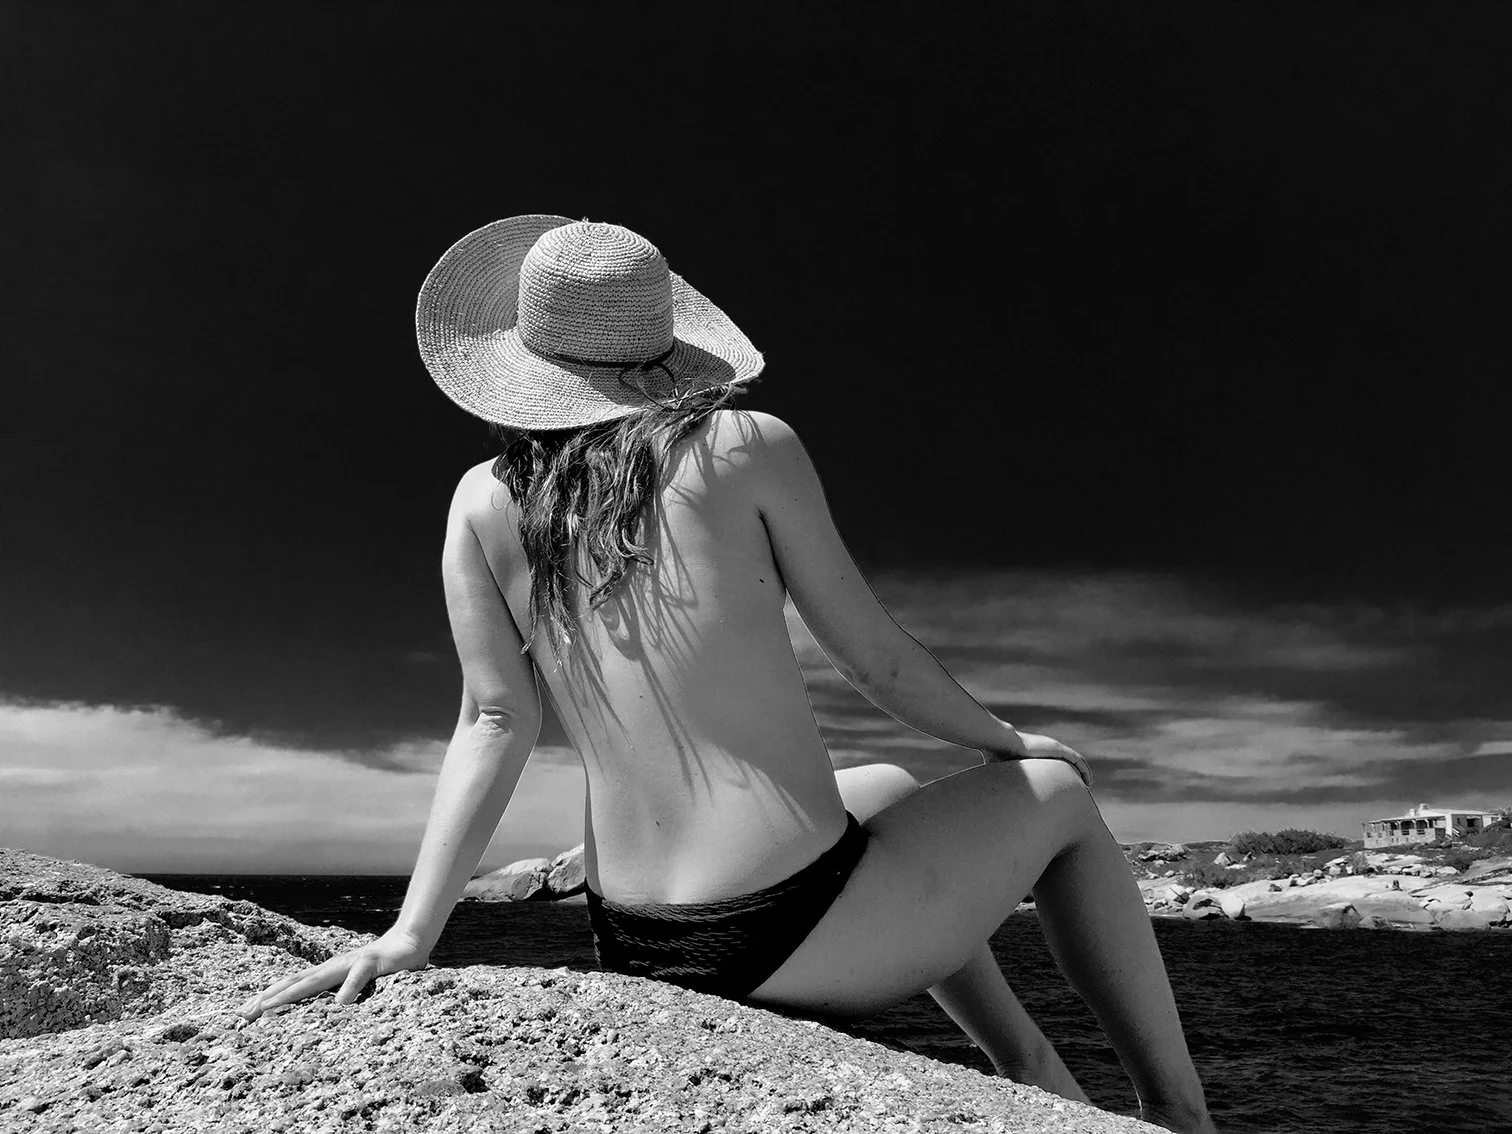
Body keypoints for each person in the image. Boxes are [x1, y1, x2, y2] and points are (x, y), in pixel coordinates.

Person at [240, 216, 1216, 1133]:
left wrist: (412, 933)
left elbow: (495, 722)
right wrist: (1008, 742)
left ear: (524, 368)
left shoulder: (478, 500)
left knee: (883, 786)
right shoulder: (749, 446)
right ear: (662, 349)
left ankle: (1027, 1062)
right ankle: (1178, 1113)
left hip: (635, 939)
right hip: (781, 929)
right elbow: (874, 660)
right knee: (1059, 796)